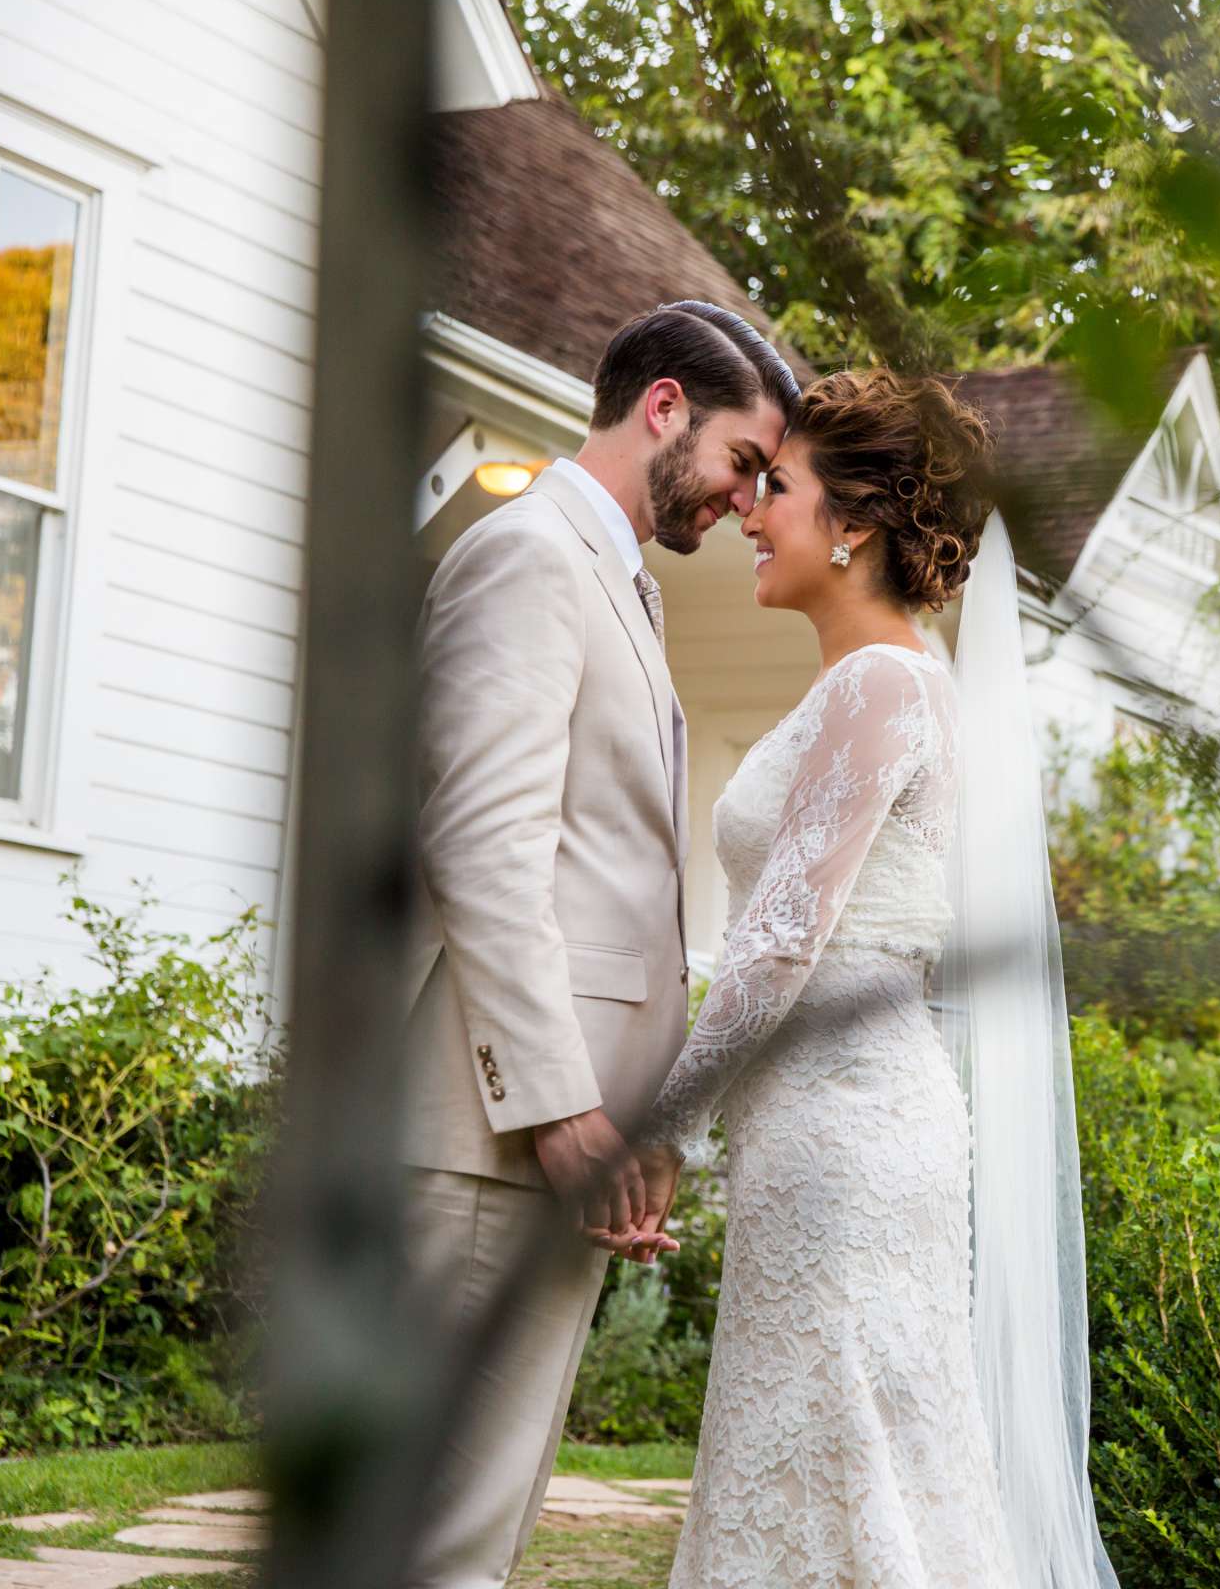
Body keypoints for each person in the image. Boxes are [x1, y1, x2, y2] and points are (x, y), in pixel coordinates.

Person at [629, 370, 1117, 1587]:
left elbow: (785, 936)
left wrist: (665, 1124)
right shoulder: (873, 684)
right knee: (835, 1459)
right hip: (827, 1128)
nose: (747, 507)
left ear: (851, 523)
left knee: (842, 1455)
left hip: (846, 1141)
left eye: (773, 486)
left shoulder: (882, 684)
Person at [404, 300, 797, 1589]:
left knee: (484, 1528)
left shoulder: (619, 578)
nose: (748, 502)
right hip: (494, 1133)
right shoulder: (528, 555)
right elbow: (482, 846)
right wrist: (563, 1110)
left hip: (566, 1143)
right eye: (746, 462)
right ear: (665, 408)